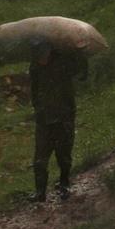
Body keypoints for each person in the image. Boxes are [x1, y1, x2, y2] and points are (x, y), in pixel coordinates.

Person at [29, 40, 87, 201]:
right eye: (39, 57)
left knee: (64, 156)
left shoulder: (64, 63)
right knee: (40, 159)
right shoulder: (35, 67)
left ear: (49, 52)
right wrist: (38, 108)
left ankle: (64, 184)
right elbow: (34, 90)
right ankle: (40, 192)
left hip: (64, 116)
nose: (42, 59)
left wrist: (80, 53)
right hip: (44, 119)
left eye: (44, 55)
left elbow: (82, 73)